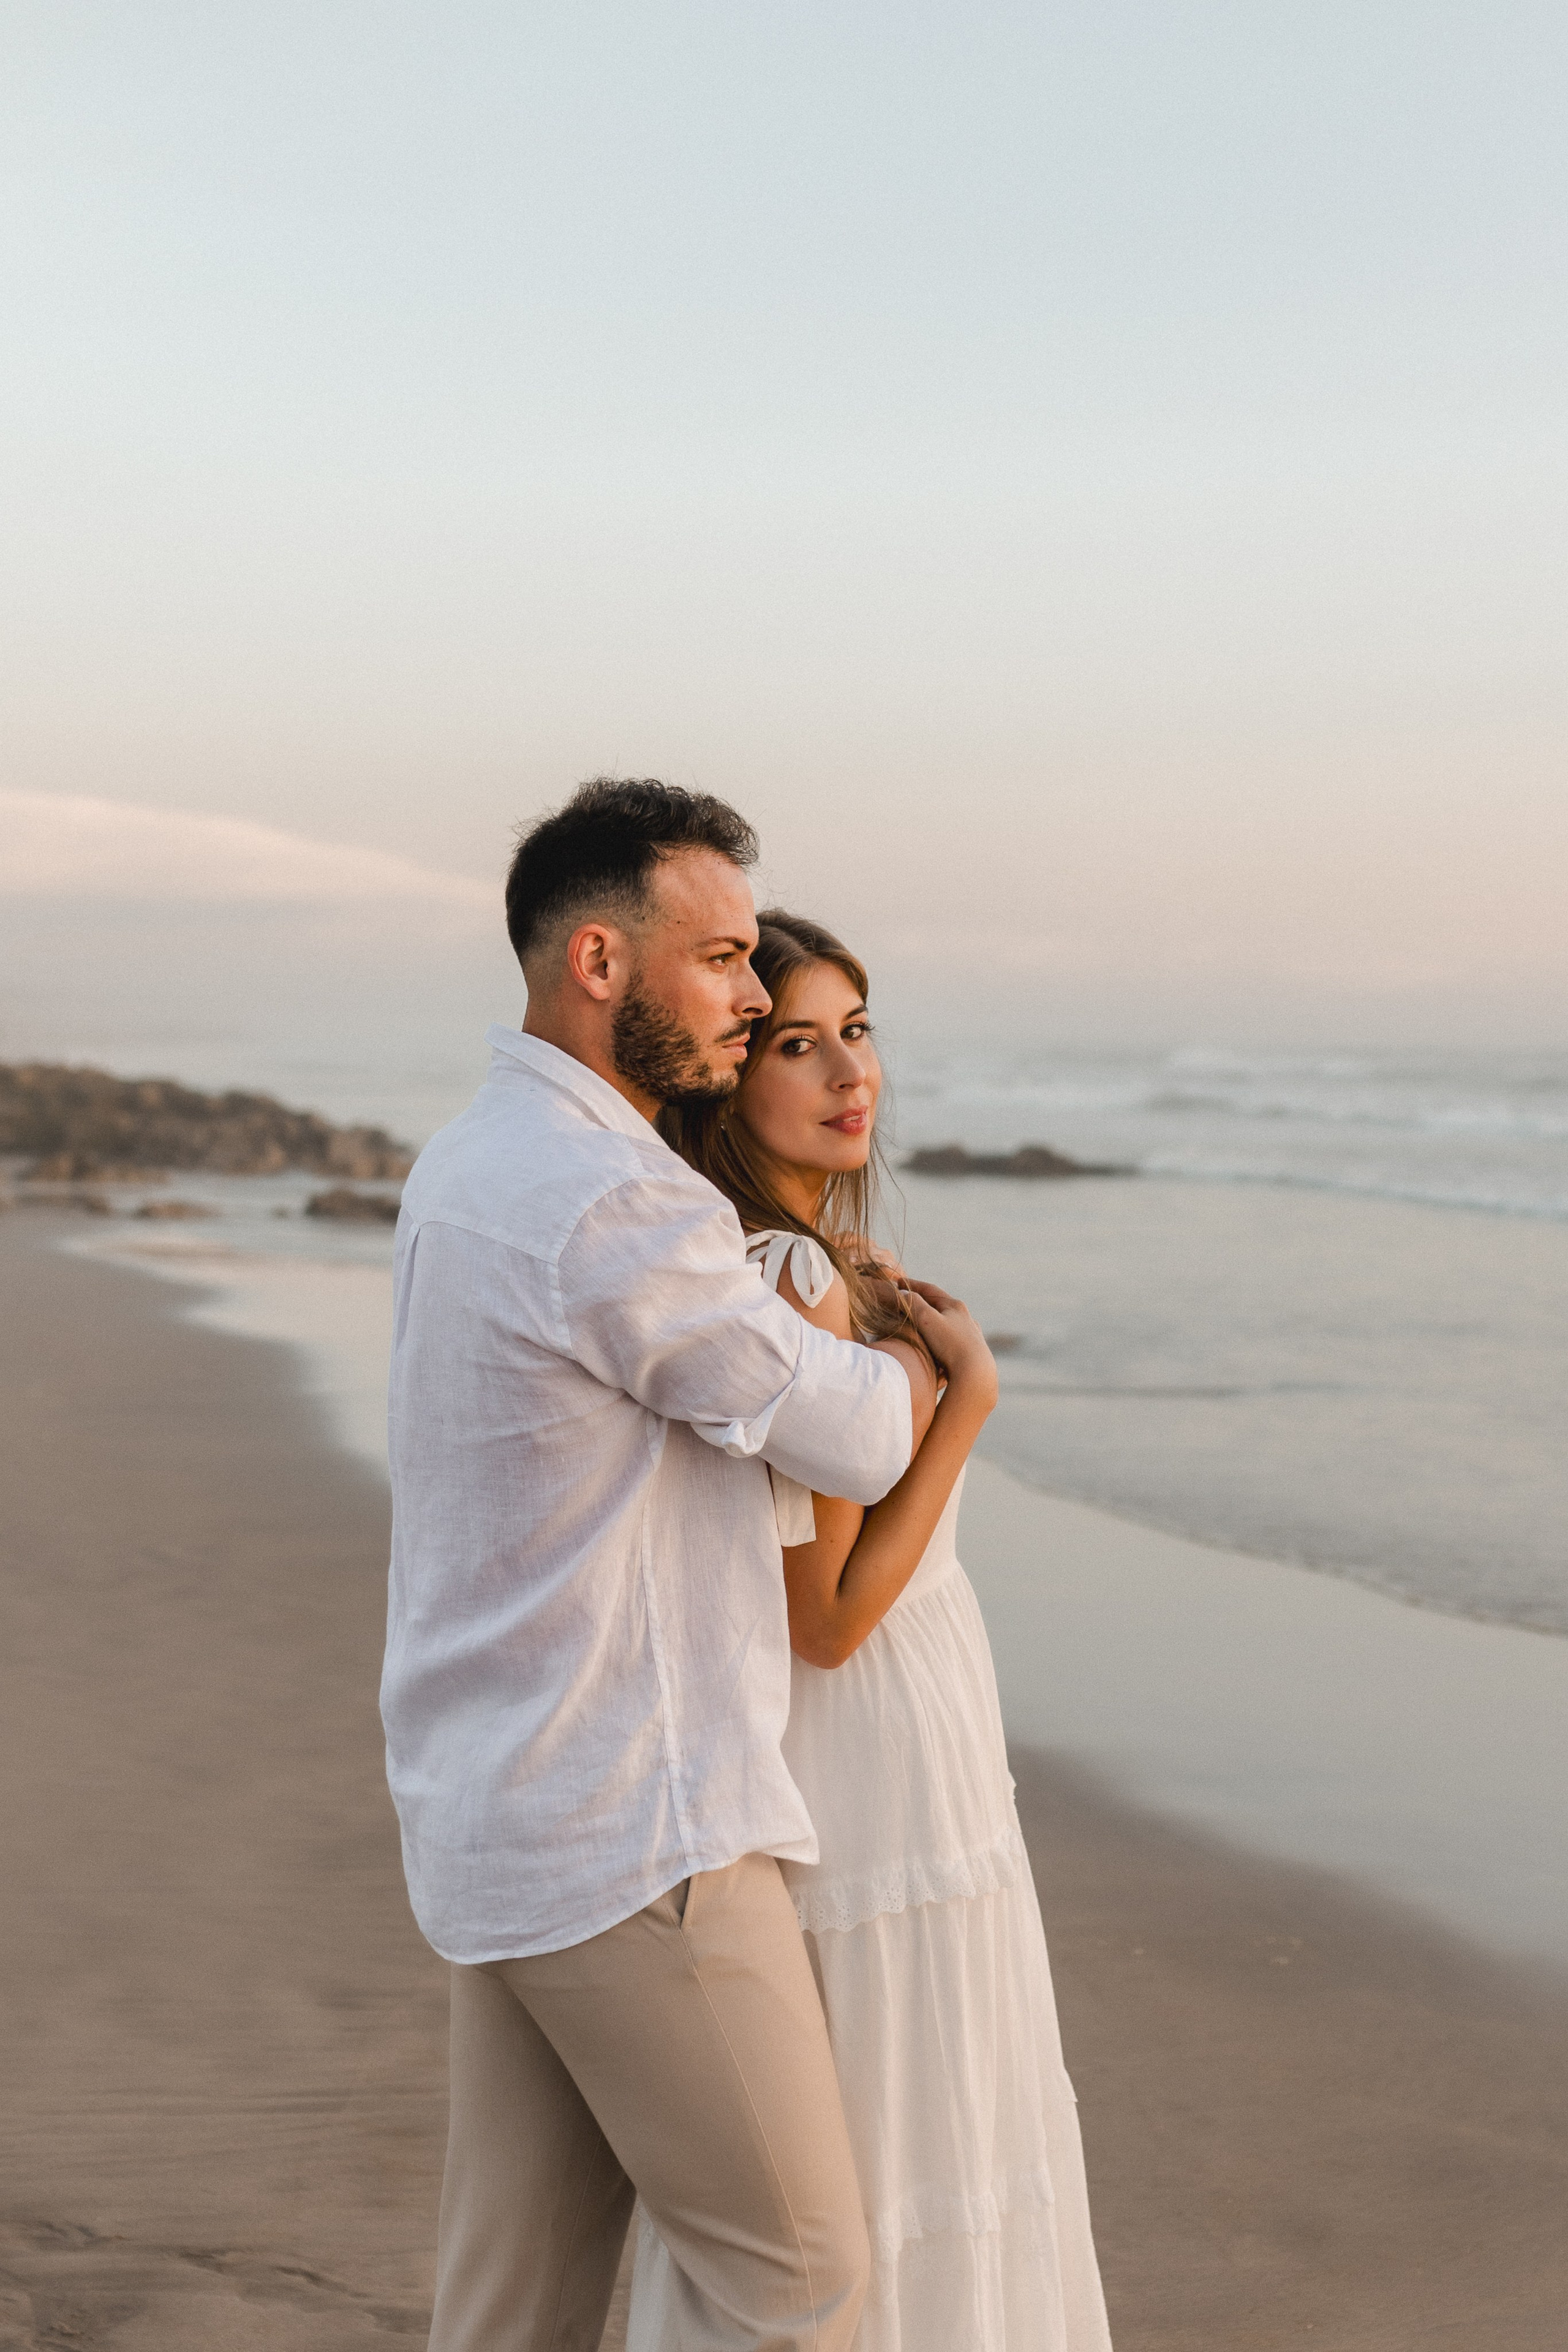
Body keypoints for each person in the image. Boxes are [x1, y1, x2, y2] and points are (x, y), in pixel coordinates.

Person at [380, 779, 988, 2352]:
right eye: (721, 960)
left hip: (499, 1825)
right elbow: (851, 1437)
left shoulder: (467, 1159)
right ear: (599, 961)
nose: (746, 993)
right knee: (804, 2282)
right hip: (637, 1839)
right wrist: (935, 1371)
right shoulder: (614, 1201)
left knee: (513, 2302)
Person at [631, 911, 1113, 2350]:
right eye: (795, 1043)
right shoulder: (793, 1280)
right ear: (727, 1078)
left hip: (910, 1728)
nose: (850, 1073)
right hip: (867, 1742)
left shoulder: (815, 1259)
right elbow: (825, 1620)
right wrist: (965, 1404)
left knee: (908, 2118)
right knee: (906, 2119)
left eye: (857, 1029)